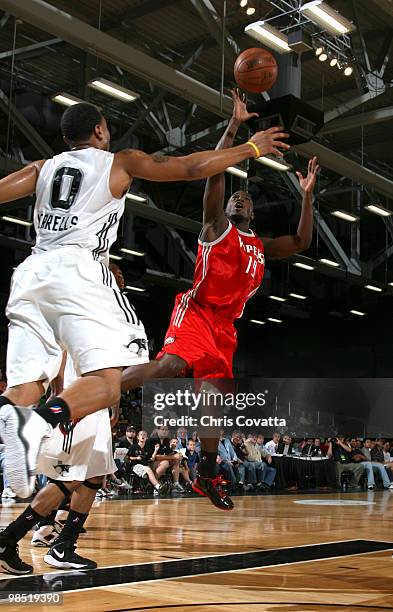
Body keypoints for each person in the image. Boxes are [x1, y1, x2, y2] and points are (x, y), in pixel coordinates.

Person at [0, 101, 284, 499]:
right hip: (78, 269)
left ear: (66, 138)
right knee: (107, 383)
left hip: (30, 272)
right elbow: (190, 167)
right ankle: (40, 423)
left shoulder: (41, 168)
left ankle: (17, 421)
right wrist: (249, 148)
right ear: (100, 131)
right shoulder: (119, 161)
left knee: (25, 387)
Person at [120, 90, 319, 510]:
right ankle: (99, 390)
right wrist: (233, 127)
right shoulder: (216, 227)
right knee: (170, 367)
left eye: (245, 198)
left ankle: (208, 473)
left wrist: (306, 194)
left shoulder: (260, 245)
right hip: (196, 312)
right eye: (234, 198)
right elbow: (215, 175)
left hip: (224, 329)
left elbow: (301, 241)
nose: (239, 198)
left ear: (254, 211)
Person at [0, 262, 149, 574]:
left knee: (94, 477)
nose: (119, 274)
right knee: (69, 479)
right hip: (79, 398)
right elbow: (64, 349)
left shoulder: (113, 308)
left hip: (99, 401)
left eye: (122, 272)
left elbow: (114, 366)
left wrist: (115, 404)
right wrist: (62, 395)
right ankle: (8, 539)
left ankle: (64, 545)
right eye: (114, 269)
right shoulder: (85, 301)